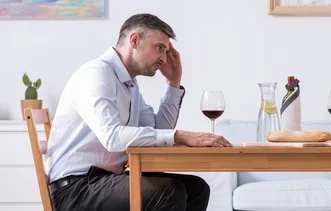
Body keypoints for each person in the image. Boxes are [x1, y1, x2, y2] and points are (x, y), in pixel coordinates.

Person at [45, 13, 233, 211]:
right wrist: (179, 135)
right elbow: (112, 137)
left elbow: (158, 130)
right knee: (169, 191)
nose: (163, 58)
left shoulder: (130, 86)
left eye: (166, 51)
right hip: (76, 189)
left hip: (105, 180)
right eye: (159, 48)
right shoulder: (96, 74)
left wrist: (173, 83)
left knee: (197, 189)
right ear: (134, 40)